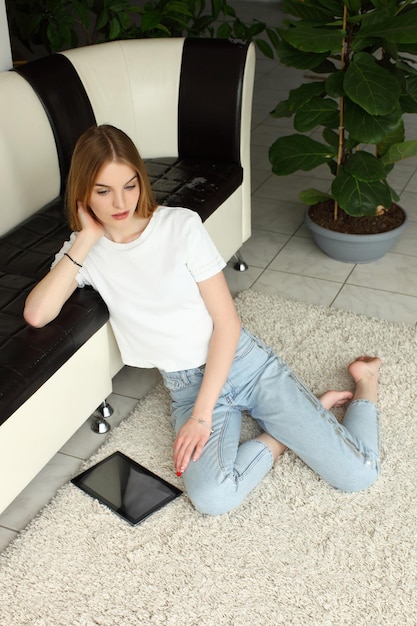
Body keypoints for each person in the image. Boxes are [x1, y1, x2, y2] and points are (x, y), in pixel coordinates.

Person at [24, 125, 381, 515]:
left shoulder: (179, 225)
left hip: (244, 365)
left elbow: (227, 324)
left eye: (129, 185)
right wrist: (86, 239)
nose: (120, 202)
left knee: (356, 475)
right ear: (83, 193)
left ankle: (366, 379)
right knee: (212, 497)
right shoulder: (86, 251)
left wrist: (201, 417)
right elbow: (38, 313)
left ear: (141, 179)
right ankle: (286, 432)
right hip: (185, 385)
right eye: (102, 191)